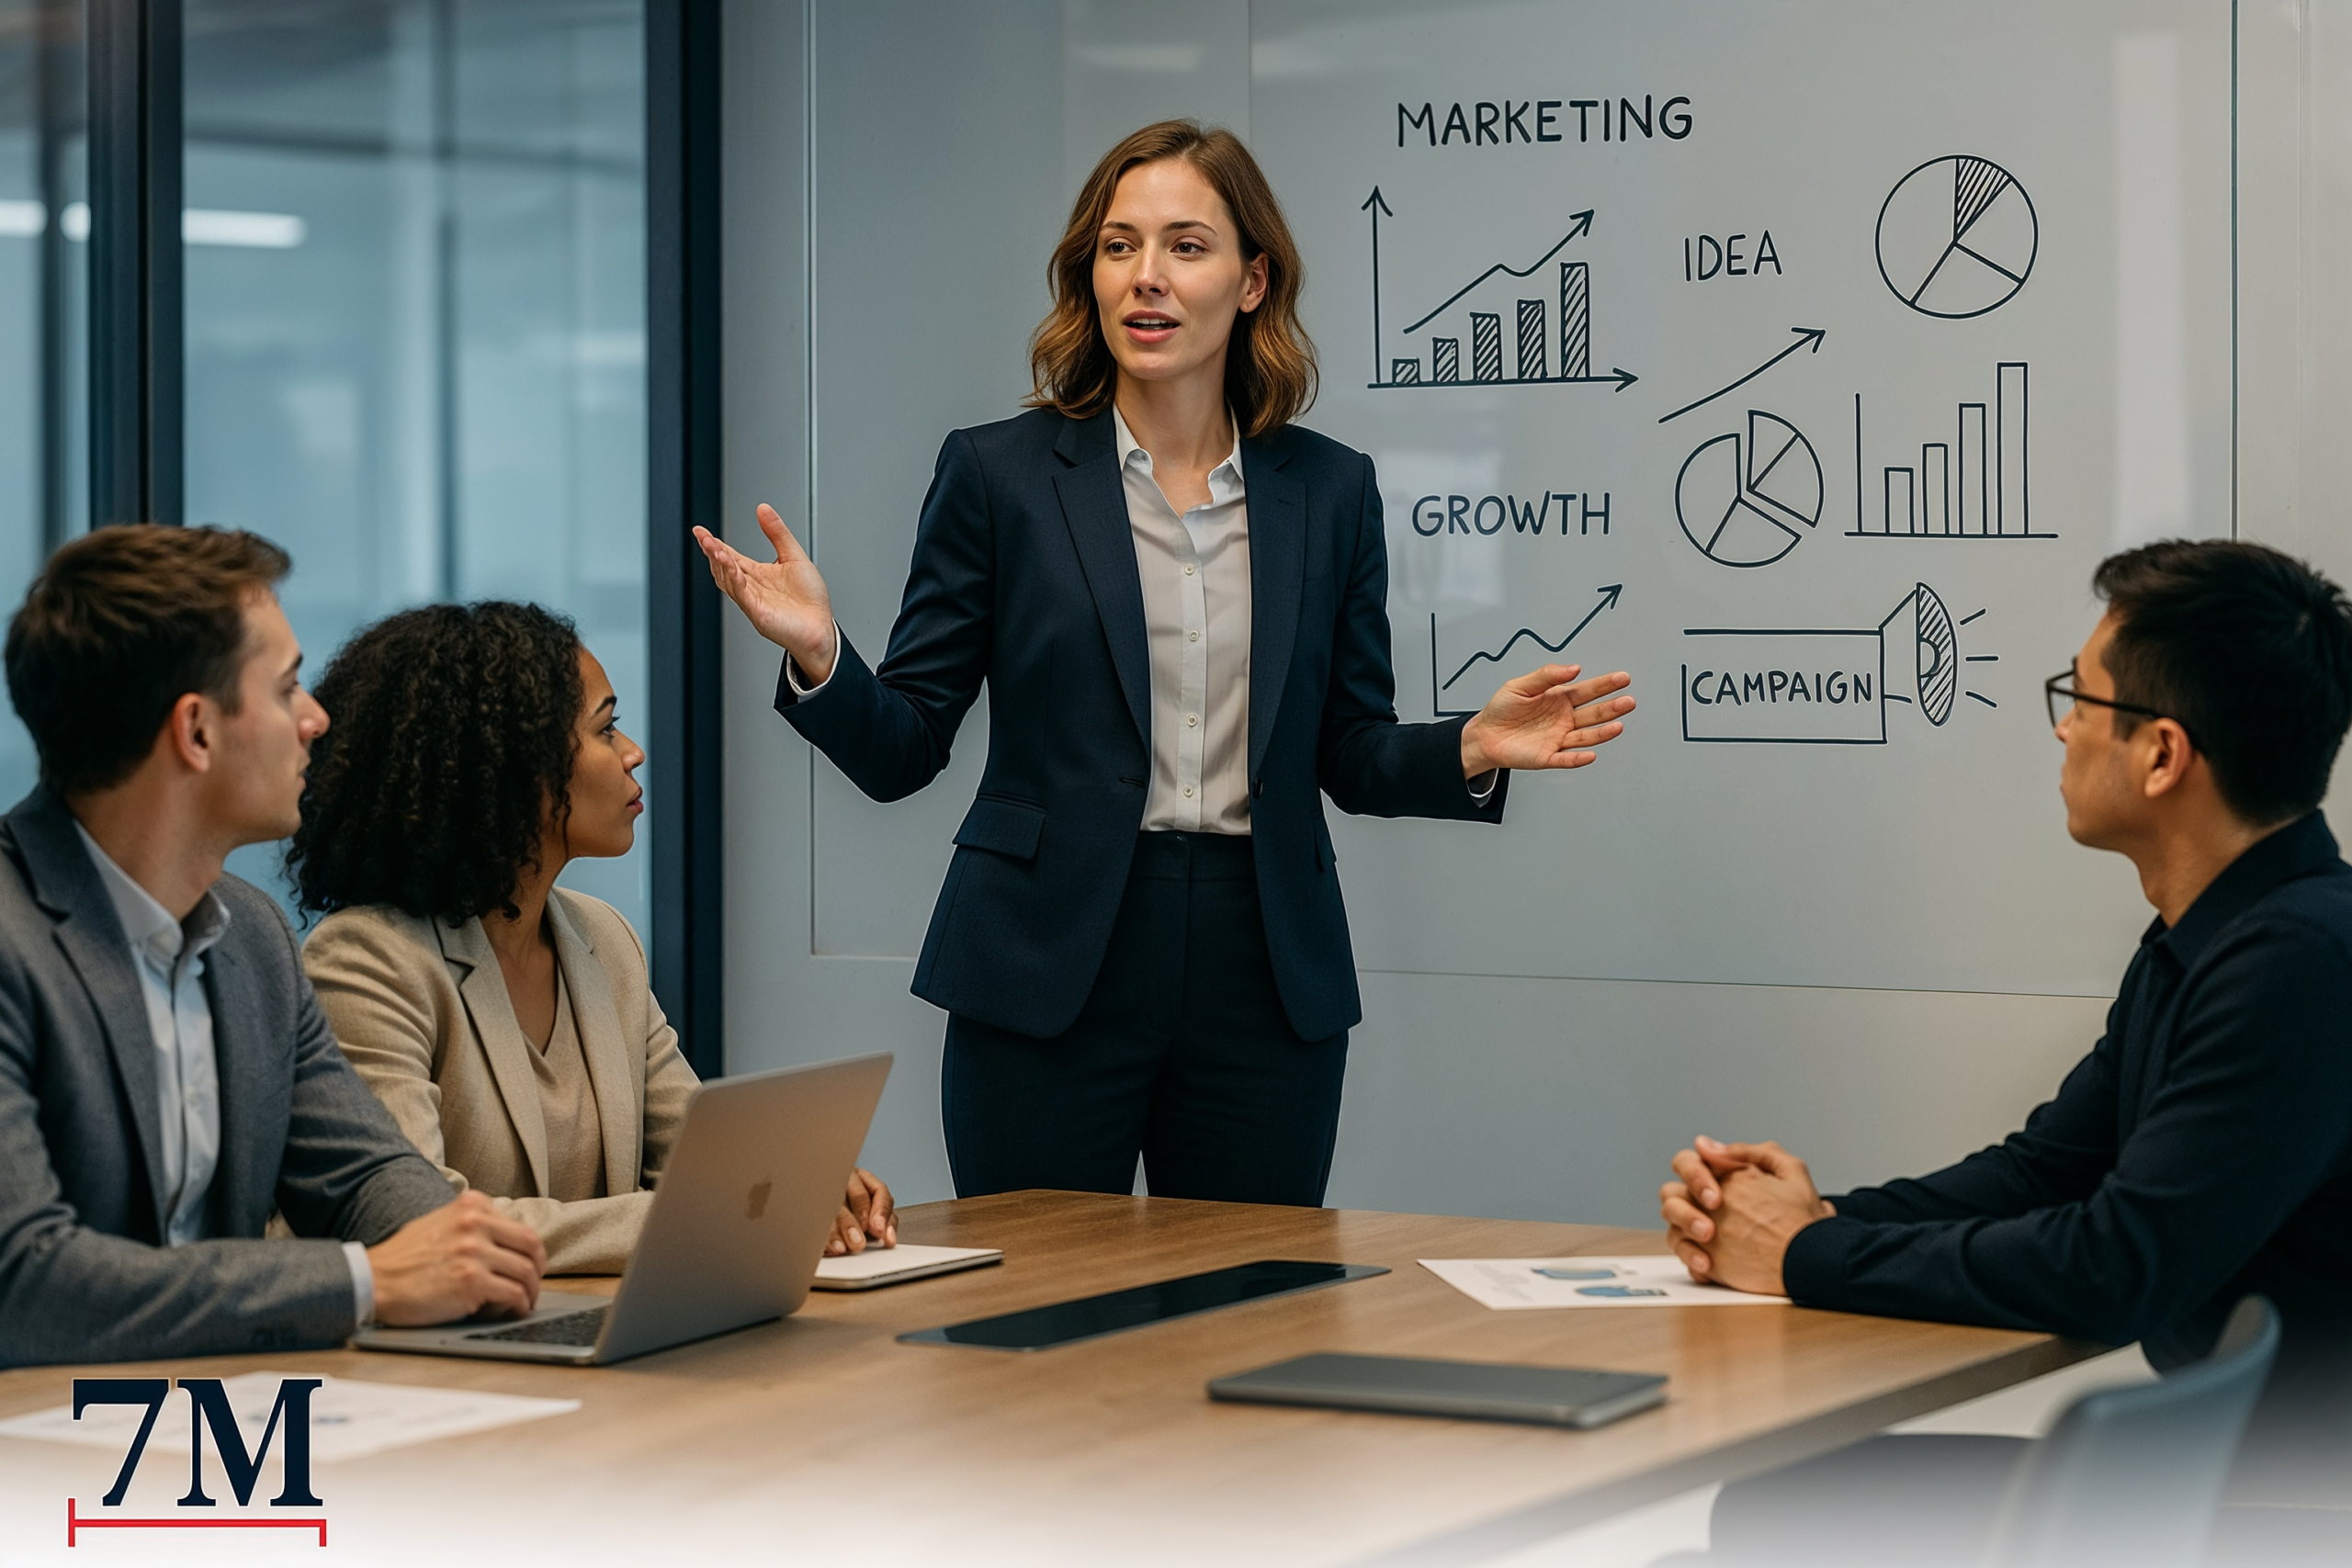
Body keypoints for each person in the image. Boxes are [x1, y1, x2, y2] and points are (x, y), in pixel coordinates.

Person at [694, 119, 1637, 1206]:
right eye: (1117, 246)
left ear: (1252, 280)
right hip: (1044, 958)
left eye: (1186, 246)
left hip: (1264, 962)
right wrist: (823, 657)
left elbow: (1348, 748)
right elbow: (904, 748)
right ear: (1086, 275)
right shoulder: (998, 475)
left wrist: (1464, 748)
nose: (1146, 277)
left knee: (1249, 1319)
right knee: (1033, 1324)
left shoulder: (1328, 491)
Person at [1657, 539, 2352, 1565]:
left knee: (1783, 1507)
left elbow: (2110, 1266)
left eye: (2081, 698)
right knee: (1788, 1494)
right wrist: (1811, 1216)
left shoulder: (2296, 963)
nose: (2064, 726)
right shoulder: (2212, 938)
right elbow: (2047, 1170)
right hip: (2237, 1473)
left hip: (2289, 1505)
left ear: (2163, 755)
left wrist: (1803, 1254)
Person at [0, 525, 548, 1367]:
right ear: (197, 731)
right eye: (288, 687)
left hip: (215, 1419)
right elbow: (26, 1285)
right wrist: (364, 1282)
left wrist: (455, 1242)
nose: (317, 718)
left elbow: (362, 1176)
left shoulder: (252, 934)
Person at [291, 602, 895, 1276]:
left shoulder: (606, 942)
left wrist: (794, 1183)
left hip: (594, 1339)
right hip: (440, 1362)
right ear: (511, 770)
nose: (634, 752)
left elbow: (699, 1159)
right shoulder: (368, 960)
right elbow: (422, 1224)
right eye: (606, 729)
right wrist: (700, 1213)